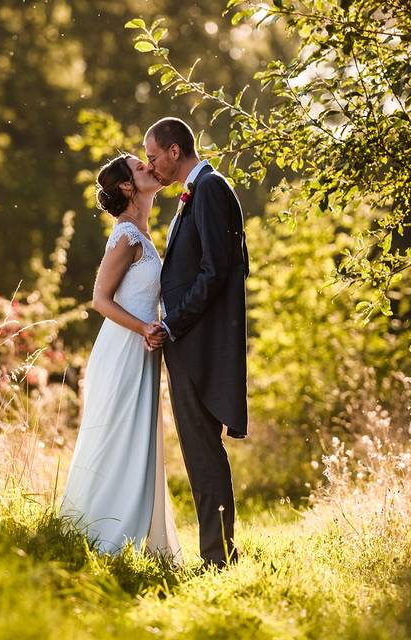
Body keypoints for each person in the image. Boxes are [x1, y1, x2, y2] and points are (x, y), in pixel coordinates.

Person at [60, 153, 182, 562]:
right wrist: (144, 328)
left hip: (143, 352)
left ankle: (129, 532)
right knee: (114, 438)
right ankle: (100, 533)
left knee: (137, 440)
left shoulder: (142, 234)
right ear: (128, 187)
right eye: (141, 166)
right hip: (122, 350)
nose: (151, 168)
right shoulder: (126, 236)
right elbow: (99, 300)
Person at [142, 117, 250, 569]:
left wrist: (173, 325)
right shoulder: (203, 189)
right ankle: (220, 552)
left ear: (173, 150)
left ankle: (218, 558)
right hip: (193, 340)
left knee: (202, 451)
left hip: (196, 342)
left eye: (152, 157)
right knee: (202, 450)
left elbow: (216, 271)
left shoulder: (207, 188)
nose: (152, 167)